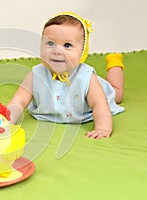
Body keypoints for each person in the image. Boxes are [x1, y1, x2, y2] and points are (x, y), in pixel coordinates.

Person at [7, 11, 125, 139]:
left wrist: (102, 128)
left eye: (67, 45)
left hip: (99, 95)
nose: (57, 51)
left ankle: (115, 63)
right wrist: (5, 122)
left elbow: (99, 104)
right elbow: (18, 102)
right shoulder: (35, 74)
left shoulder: (86, 77)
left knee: (116, 93)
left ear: (82, 52)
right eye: (50, 43)